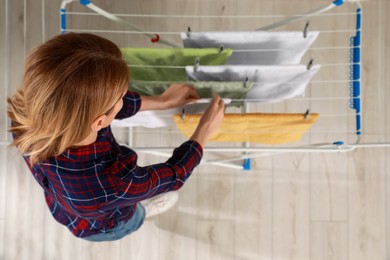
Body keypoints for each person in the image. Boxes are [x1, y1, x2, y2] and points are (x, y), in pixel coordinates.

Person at [7, 33, 224, 242]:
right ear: (99, 122)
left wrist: (162, 101)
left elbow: (97, 105)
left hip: (65, 205)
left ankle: (132, 203)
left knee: (120, 197)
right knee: (133, 215)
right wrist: (203, 130)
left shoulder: (26, 113)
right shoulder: (113, 182)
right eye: (121, 95)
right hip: (108, 225)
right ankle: (142, 210)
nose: (124, 96)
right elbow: (175, 174)